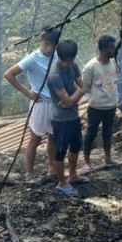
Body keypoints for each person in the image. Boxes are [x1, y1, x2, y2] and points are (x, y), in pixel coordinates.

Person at [3, 29, 59, 181]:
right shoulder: (32, 59)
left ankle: (51, 167)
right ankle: (29, 172)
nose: (49, 49)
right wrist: (27, 93)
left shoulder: (58, 55)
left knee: (53, 137)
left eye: (52, 45)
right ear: (40, 40)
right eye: (46, 44)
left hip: (56, 103)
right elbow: (9, 74)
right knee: (35, 139)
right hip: (40, 103)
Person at [46, 40, 86, 199]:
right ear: (59, 57)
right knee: (60, 151)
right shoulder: (54, 75)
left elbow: (83, 87)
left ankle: (73, 175)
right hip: (61, 120)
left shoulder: (73, 66)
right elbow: (73, 96)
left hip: (74, 116)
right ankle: (62, 182)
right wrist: (78, 94)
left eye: (70, 60)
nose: (67, 63)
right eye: (65, 60)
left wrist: (73, 97)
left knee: (76, 146)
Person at [81, 34, 120, 170]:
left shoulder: (114, 63)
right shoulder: (91, 67)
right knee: (91, 133)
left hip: (111, 105)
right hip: (96, 107)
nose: (114, 50)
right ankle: (86, 161)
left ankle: (108, 158)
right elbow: (85, 87)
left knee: (107, 133)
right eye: (111, 48)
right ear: (103, 49)